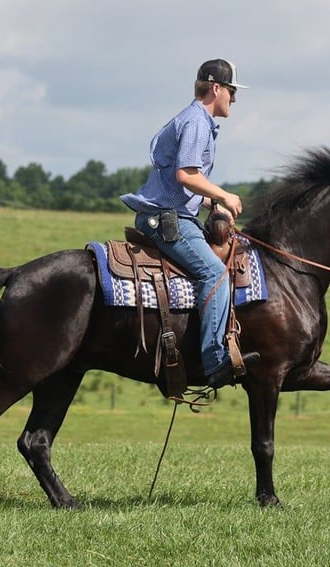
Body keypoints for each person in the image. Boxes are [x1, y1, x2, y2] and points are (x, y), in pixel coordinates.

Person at [120, 58, 260, 389]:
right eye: (232, 91)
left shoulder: (195, 120)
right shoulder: (197, 121)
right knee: (214, 274)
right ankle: (215, 363)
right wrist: (224, 196)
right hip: (168, 219)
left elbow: (184, 181)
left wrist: (210, 201)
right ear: (216, 89)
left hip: (174, 214)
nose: (234, 99)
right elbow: (186, 175)